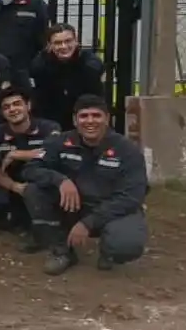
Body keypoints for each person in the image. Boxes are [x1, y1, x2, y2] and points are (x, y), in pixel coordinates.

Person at [21, 94, 148, 275]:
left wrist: (88, 223)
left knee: (126, 245)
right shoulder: (59, 142)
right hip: (74, 206)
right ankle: (62, 251)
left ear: (107, 119)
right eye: (84, 116)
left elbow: (132, 197)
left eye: (96, 116)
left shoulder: (127, 150)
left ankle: (109, 250)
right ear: (75, 120)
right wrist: (60, 180)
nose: (90, 121)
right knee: (33, 191)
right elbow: (30, 169)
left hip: (110, 209)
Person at [0, 85, 60, 248]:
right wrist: (17, 187)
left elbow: (55, 155)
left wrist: (16, 154)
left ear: (28, 106)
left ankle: (43, 233)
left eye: (17, 104)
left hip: (44, 185)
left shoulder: (49, 128)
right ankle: (17, 222)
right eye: (6, 107)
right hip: (12, 186)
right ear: (2, 113)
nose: (12, 109)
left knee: (37, 194)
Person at [28, 23, 105, 127]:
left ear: (76, 41)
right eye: (58, 43)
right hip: (50, 120)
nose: (64, 46)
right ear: (49, 45)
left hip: (85, 119)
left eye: (68, 41)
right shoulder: (40, 64)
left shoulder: (89, 62)